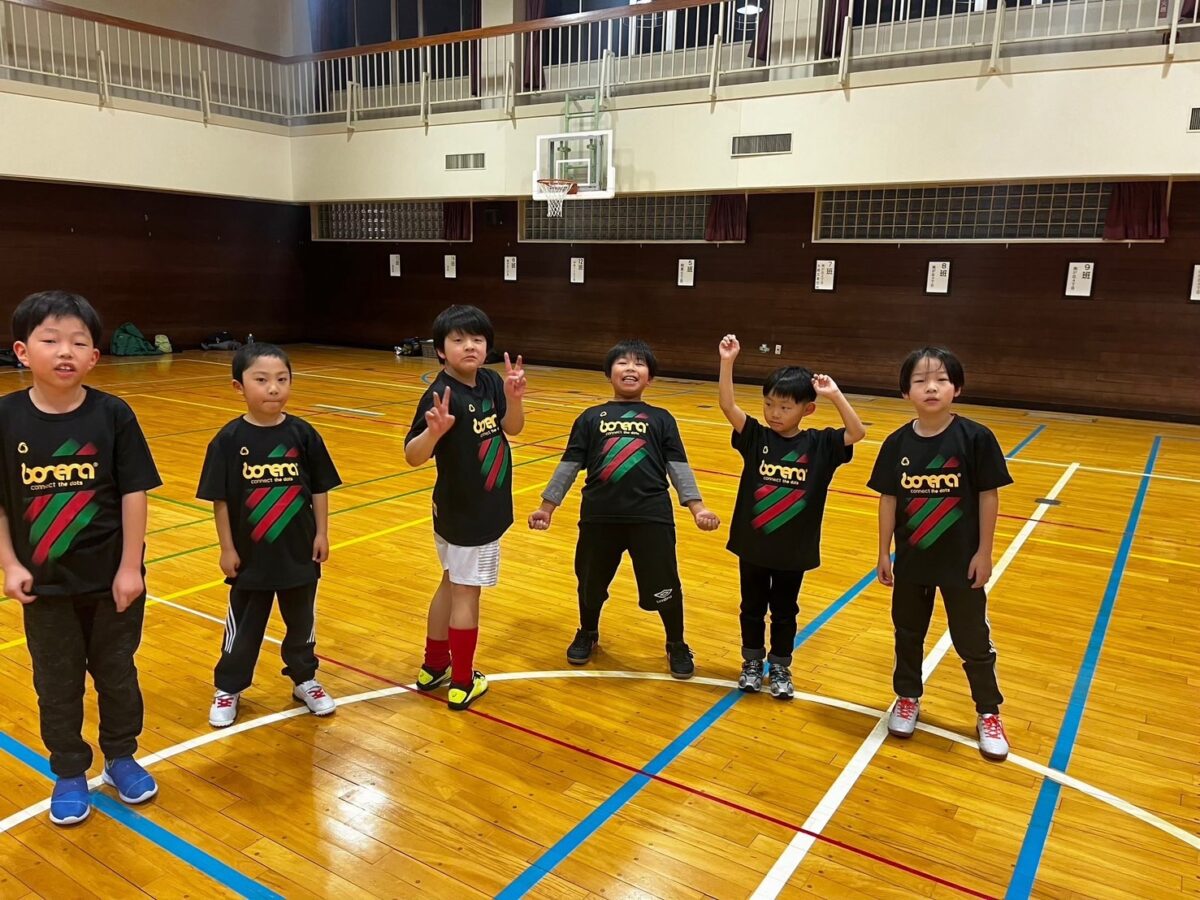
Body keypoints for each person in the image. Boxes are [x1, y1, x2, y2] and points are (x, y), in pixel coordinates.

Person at [0, 290, 161, 825]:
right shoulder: (6, 419)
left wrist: (130, 567)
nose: (64, 351)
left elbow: (134, 492)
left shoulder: (113, 414)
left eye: (78, 342)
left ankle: (120, 756)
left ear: (94, 356)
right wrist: (10, 563)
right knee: (56, 684)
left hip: (112, 583)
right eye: (50, 340)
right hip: (45, 589)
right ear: (23, 351)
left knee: (117, 674)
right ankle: (69, 770)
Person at [528, 339, 719, 678]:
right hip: (599, 516)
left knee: (665, 583)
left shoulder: (661, 418)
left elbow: (678, 467)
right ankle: (588, 632)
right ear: (608, 373)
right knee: (590, 582)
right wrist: (547, 506)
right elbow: (569, 465)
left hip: (652, 516)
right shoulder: (590, 417)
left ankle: (676, 642)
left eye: (639, 363)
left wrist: (697, 507)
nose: (631, 368)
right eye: (623, 362)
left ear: (650, 378)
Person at [868, 346, 1013, 761]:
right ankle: (907, 697)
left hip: (962, 563)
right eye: (920, 381)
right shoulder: (896, 443)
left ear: (957, 388)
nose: (931, 388)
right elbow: (888, 499)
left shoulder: (975, 438)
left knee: (972, 639)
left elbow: (988, 496)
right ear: (905, 392)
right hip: (912, 562)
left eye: (941, 380)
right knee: (908, 633)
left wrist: (985, 552)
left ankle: (988, 712)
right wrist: (884, 552)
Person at [198, 343, 342, 728]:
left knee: (301, 623)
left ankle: (305, 679)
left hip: (299, 553)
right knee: (243, 629)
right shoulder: (228, 440)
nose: (273, 388)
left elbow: (319, 488)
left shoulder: (303, 434)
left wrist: (322, 533)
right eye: (261, 380)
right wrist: (226, 548)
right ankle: (229, 687)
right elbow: (220, 500)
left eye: (281, 379)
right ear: (238, 386)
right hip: (250, 558)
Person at [717, 334, 865, 698]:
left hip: (793, 550)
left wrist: (835, 394)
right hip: (753, 545)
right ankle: (752, 662)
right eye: (769, 404)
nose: (774, 413)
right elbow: (727, 405)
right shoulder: (756, 437)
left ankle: (781, 666)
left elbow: (857, 432)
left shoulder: (820, 444)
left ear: (807, 410)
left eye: (784, 407)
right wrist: (727, 361)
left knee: (785, 611)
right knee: (751, 608)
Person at [405, 305, 526, 711]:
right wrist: (433, 433)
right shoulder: (441, 395)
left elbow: (512, 428)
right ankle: (461, 680)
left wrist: (513, 399)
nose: (470, 346)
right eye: (458, 340)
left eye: (477, 339)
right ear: (440, 350)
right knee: (465, 593)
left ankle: (434, 666)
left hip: (478, 508)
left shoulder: (489, 381)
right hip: (467, 512)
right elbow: (412, 455)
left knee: (451, 581)